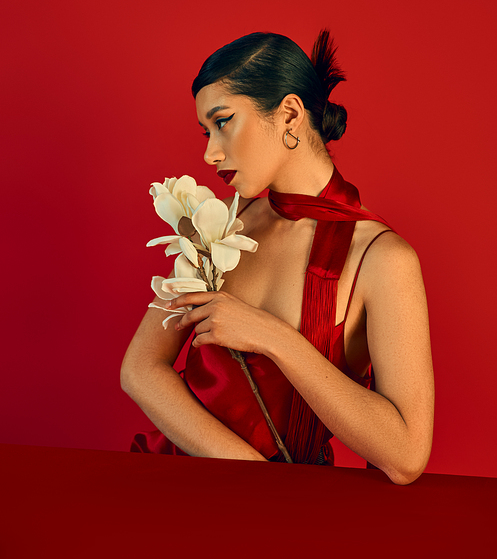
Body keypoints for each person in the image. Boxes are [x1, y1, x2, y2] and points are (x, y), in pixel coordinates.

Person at [120, 29, 434, 485]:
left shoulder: (382, 259)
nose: (209, 152)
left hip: (286, 522)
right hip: (177, 481)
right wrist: (253, 478)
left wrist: (272, 336)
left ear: (288, 113)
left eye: (223, 121)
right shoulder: (224, 221)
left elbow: (405, 455)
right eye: (205, 131)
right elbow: (140, 368)